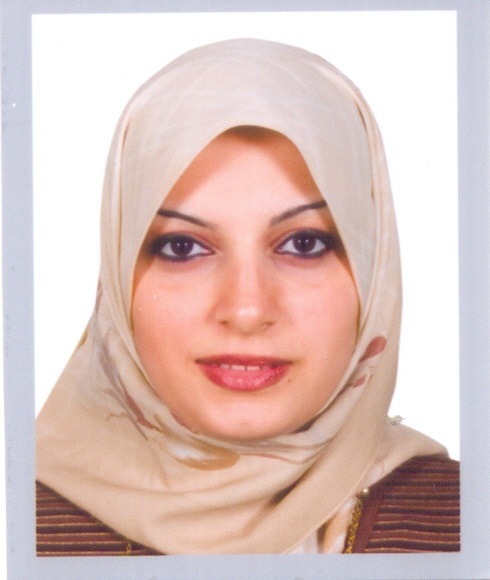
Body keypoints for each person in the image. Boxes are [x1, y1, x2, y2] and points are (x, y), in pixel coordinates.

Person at [35, 38, 459, 555]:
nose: (246, 310)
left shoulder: (462, 523)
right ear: (118, 273)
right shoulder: (22, 527)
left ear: (374, 272)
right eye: (182, 247)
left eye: (304, 244)